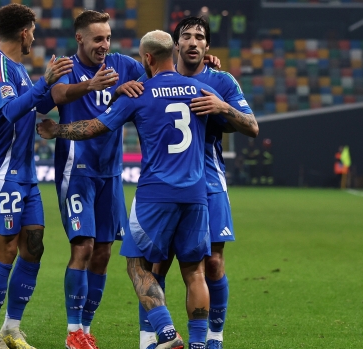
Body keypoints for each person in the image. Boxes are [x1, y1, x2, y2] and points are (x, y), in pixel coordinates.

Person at [38, 29, 224, 349]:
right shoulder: (201, 89)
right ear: (173, 54)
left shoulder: (140, 93)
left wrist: (57, 130)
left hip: (156, 192)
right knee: (194, 272)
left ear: (148, 59)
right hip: (197, 194)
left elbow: (95, 127)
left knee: (137, 264)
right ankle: (199, 344)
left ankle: (166, 332)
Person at [140, 16, 259, 349]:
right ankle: (150, 337)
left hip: (208, 179)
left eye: (200, 37)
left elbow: (252, 126)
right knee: (155, 262)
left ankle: (213, 338)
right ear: (176, 44)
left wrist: (222, 107)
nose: (193, 42)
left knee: (213, 262)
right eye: (187, 36)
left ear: (207, 47)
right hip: (165, 181)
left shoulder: (221, 81)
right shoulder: (156, 75)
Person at [0, 4, 73, 349]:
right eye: (33, 30)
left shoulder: (17, 69)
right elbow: (13, 110)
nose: (35, 36)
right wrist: (45, 80)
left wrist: (54, 84)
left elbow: (34, 104)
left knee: (33, 245)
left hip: (24, 172)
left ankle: (12, 328)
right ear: (24, 32)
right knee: (7, 250)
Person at [48, 10, 144, 349]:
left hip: (111, 173)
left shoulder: (125, 65)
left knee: (103, 252)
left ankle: (86, 330)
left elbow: (161, 75)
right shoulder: (65, 65)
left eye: (107, 38)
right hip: (77, 171)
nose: (104, 45)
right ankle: (73, 331)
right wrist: (91, 85)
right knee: (83, 246)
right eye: (97, 39)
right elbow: (57, 96)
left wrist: (204, 65)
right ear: (80, 39)